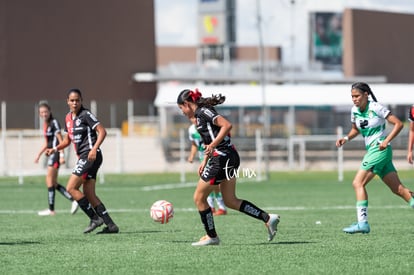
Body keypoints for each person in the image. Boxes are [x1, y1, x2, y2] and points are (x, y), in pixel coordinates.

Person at [177, 88, 280, 246]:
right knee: (230, 200)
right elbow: (209, 140)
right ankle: (267, 218)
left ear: (187, 104)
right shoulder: (199, 116)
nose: (182, 112)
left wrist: (212, 147)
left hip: (222, 158)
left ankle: (212, 236)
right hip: (228, 156)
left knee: (199, 198)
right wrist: (205, 160)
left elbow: (227, 125)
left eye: (181, 108)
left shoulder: (203, 112)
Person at [336, 82, 414, 234]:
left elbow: (398, 124)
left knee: (358, 183)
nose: (354, 99)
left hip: (379, 150)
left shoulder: (376, 107)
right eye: (352, 97)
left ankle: (362, 223)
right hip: (375, 151)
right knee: (398, 189)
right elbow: (355, 129)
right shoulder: (354, 111)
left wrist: (386, 140)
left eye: (357, 96)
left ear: (366, 95)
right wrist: (346, 138)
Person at [46, 89, 119, 234]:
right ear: (67, 101)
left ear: (81, 101)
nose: (75, 103)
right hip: (86, 157)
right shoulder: (68, 118)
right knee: (88, 193)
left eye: (77, 100)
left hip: (90, 155)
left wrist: (94, 149)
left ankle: (94, 218)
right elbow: (67, 140)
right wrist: (55, 149)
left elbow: (102, 131)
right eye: (72, 100)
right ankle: (111, 225)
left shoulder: (86, 115)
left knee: (71, 188)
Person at [35, 101, 79, 216]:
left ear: (50, 112)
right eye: (42, 112)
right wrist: (39, 155)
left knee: (49, 180)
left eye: (45, 111)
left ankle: (51, 209)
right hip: (51, 154)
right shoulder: (46, 124)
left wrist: (62, 156)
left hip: (55, 154)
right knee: (53, 183)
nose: (44, 114)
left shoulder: (54, 123)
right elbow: (47, 143)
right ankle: (73, 200)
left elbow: (61, 141)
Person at [188, 117, 227, 216]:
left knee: (215, 185)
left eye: (195, 117)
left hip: (213, 158)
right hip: (203, 160)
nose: (194, 120)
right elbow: (194, 144)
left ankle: (221, 207)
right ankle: (211, 207)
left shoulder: (206, 128)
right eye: (192, 118)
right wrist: (192, 155)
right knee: (205, 185)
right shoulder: (191, 130)